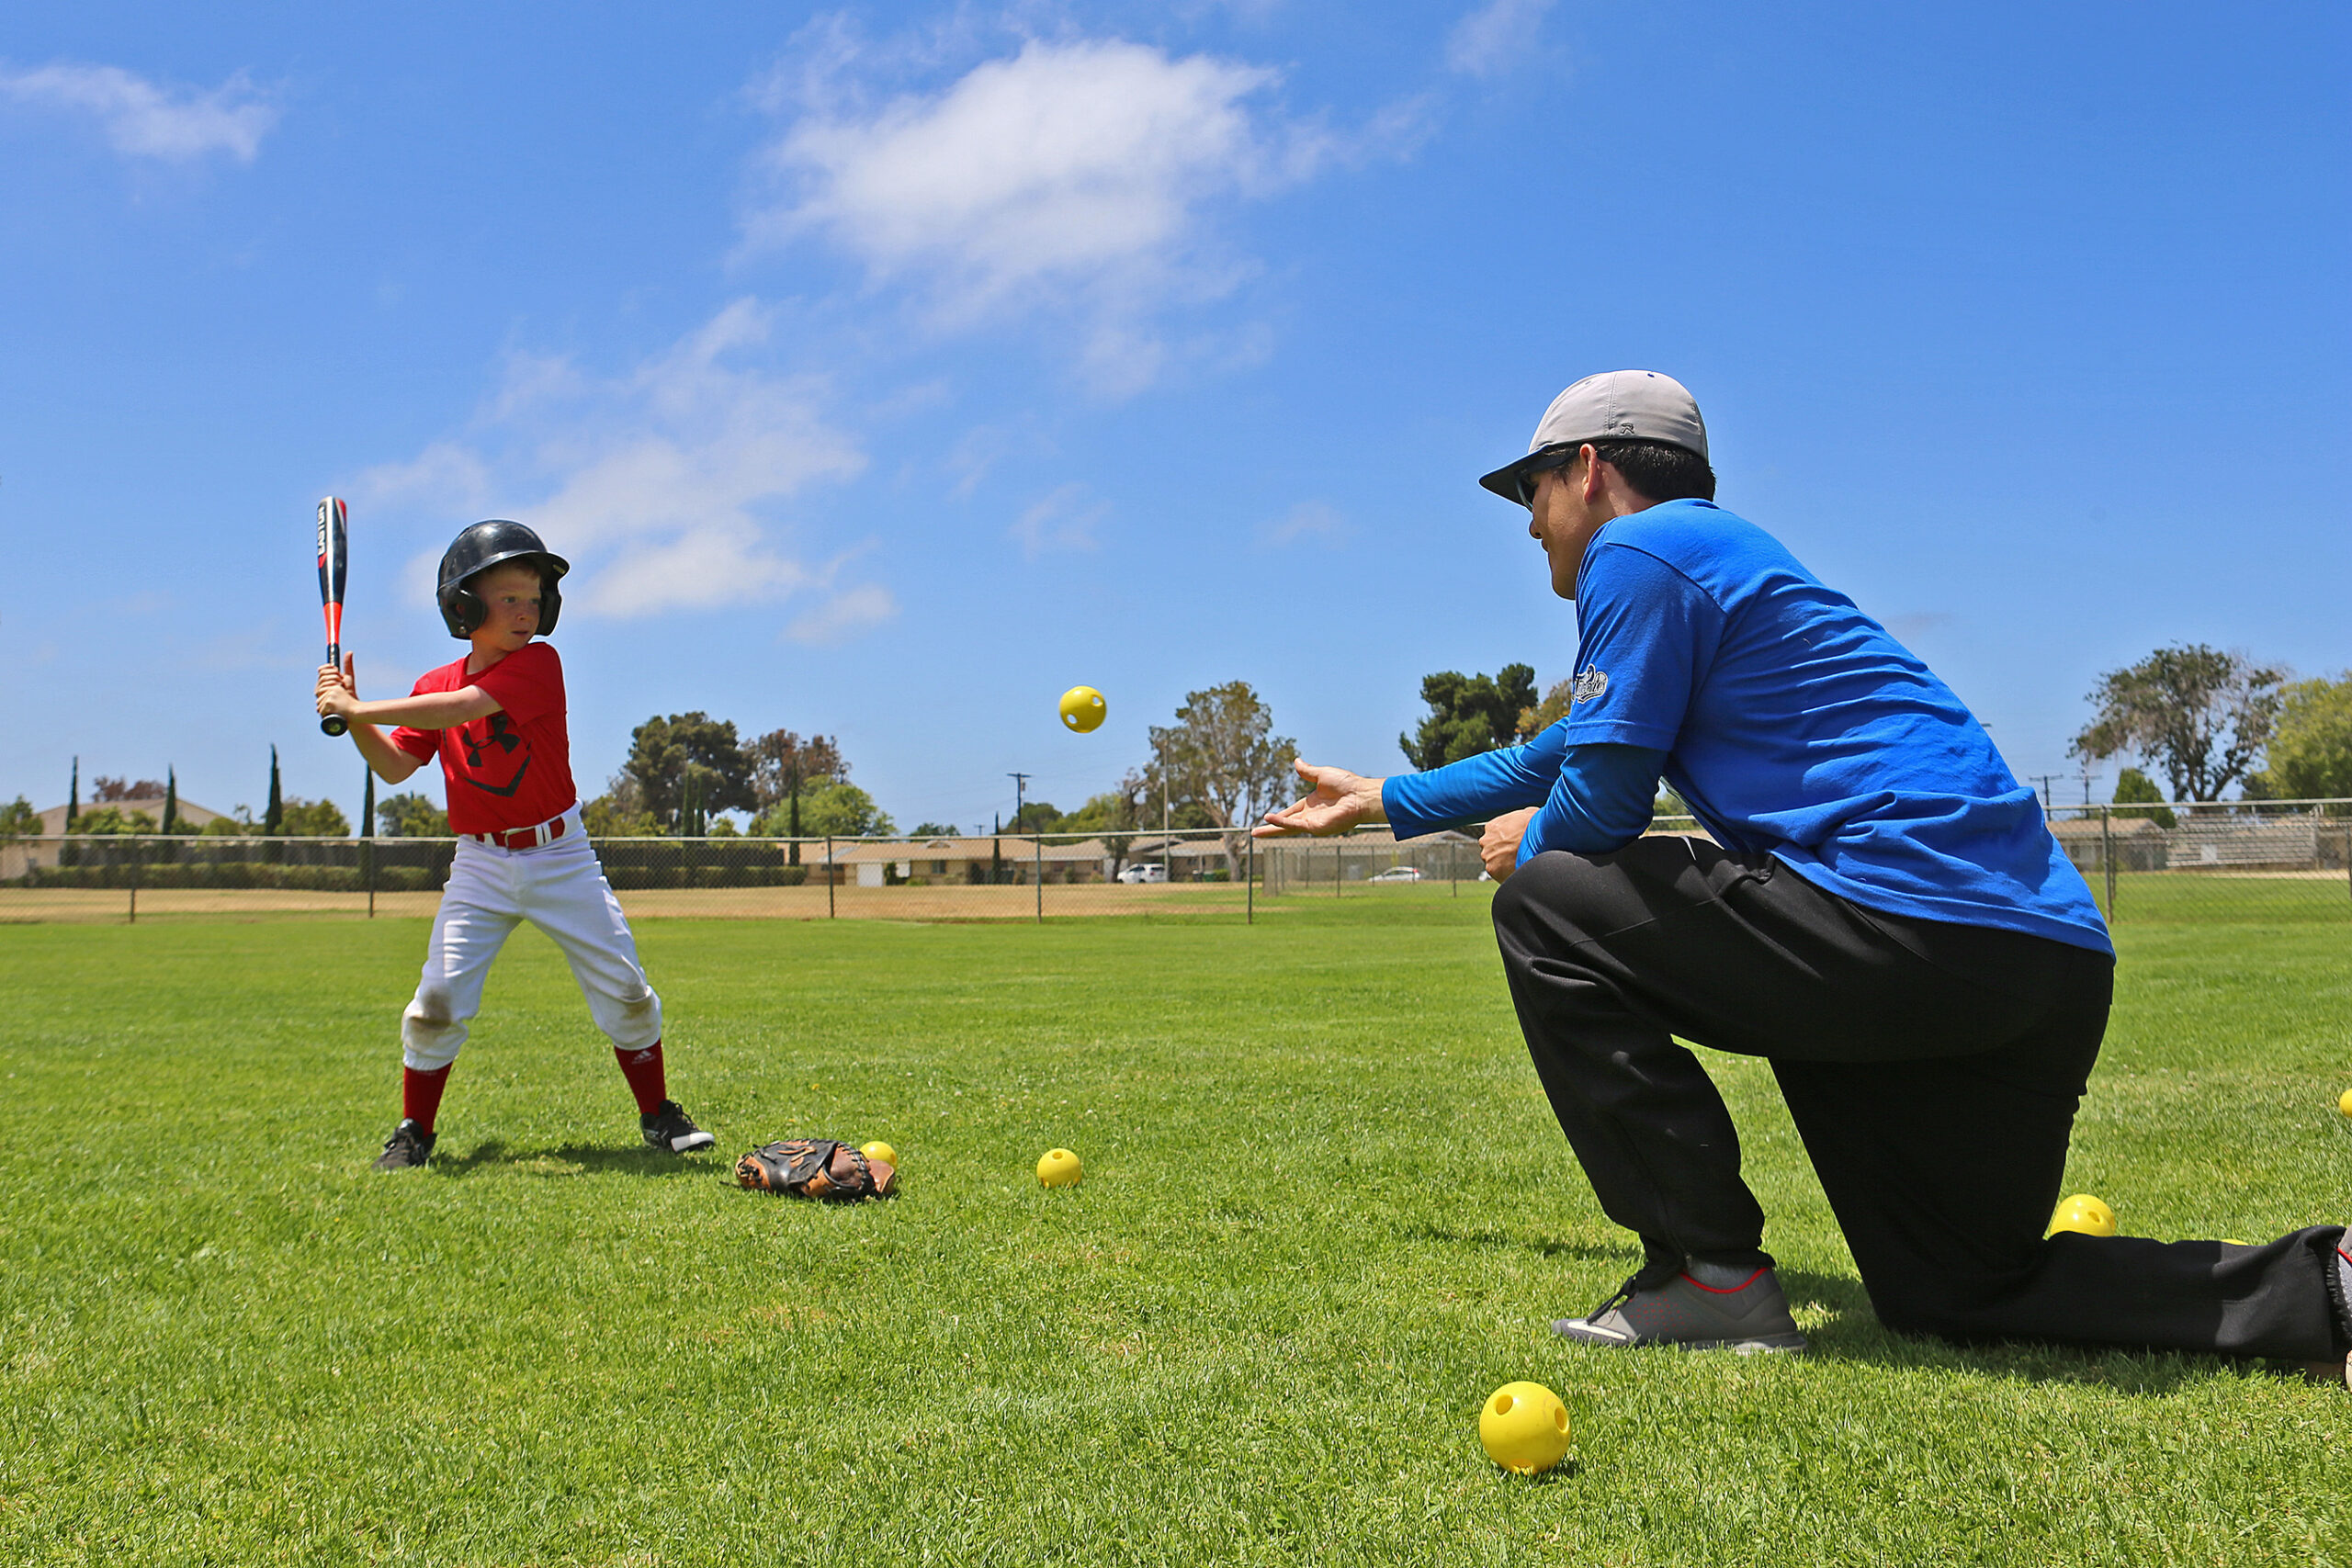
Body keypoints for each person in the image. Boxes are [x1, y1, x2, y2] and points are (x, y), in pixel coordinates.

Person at [1257, 371, 2349, 1384]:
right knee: (1959, 1290)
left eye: (1531, 490)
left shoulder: (1634, 555)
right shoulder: (1715, 560)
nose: (1531, 520)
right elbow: (1560, 756)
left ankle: (1709, 1276)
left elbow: (1593, 805)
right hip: (2039, 963)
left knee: (1551, 901)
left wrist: (1525, 848)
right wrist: (1382, 801)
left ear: (1589, 468)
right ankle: (2331, 1288)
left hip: (1906, 929)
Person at [315, 520, 717, 1171]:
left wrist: (359, 708)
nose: (526, 610)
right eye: (508, 598)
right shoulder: (429, 684)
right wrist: (354, 713)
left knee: (627, 990)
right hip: (479, 862)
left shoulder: (538, 664)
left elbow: (462, 709)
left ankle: (658, 1115)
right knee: (436, 999)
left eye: (533, 597)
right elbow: (393, 767)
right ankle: (415, 1129)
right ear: (464, 606)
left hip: (561, 854)